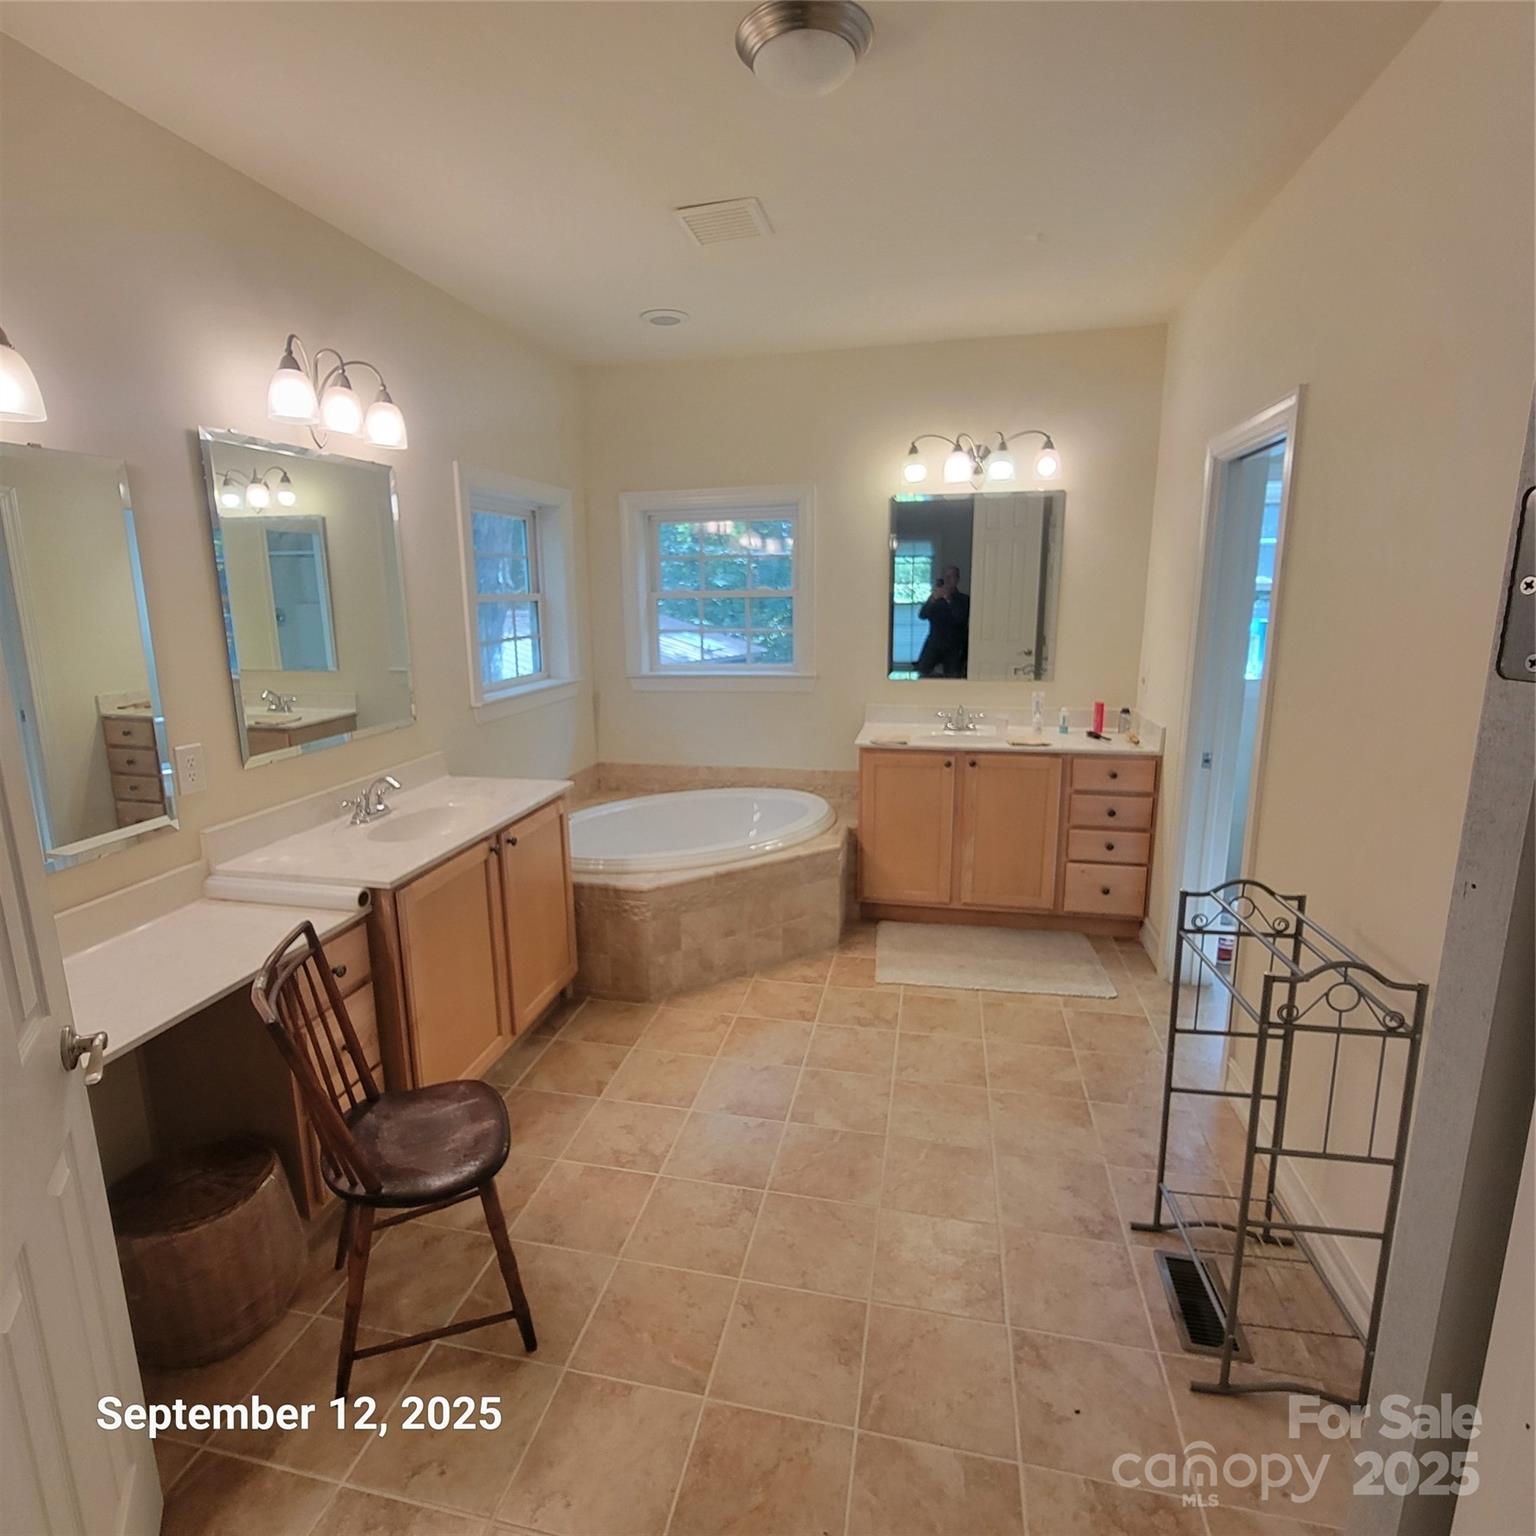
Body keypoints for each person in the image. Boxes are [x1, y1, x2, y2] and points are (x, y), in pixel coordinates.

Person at [915, 565, 970, 677]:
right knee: (922, 673)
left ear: (957, 579)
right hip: (934, 642)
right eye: (946, 576)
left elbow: (961, 618)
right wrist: (933, 599)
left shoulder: (964, 599)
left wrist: (949, 599)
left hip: (954, 646)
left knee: (953, 677)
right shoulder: (935, 598)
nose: (948, 579)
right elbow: (922, 615)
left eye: (952, 576)